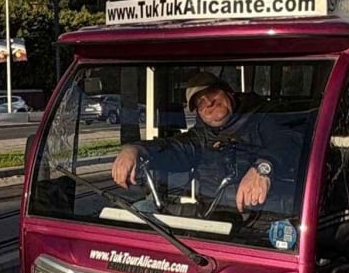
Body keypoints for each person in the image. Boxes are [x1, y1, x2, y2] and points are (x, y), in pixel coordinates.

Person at [110, 71, 302, 214]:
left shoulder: (264, 117)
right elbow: (174, 147)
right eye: (200, 103)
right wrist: (135, 149)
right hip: (215, 221)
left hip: (269, 220)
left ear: (228, 92)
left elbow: (288, 142)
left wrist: (264, 166)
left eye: (212, 94)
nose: (208, 103)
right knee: (139, 211)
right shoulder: (202, 137)